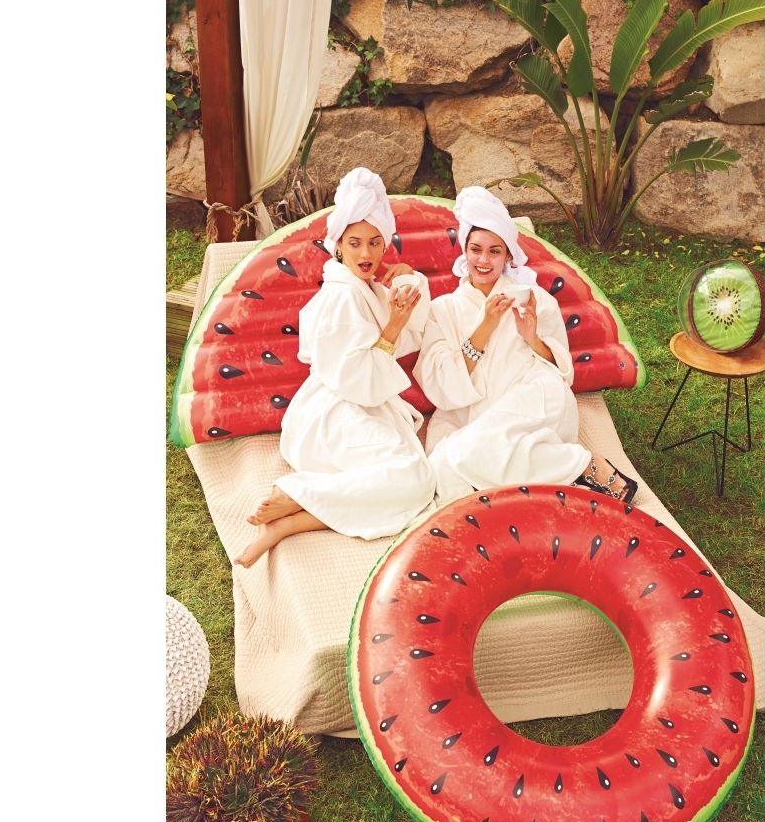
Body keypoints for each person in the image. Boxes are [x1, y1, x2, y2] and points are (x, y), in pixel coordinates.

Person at [235, 167, 435, 568]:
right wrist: (394, 324)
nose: (366, 254)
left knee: (414, 480)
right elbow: (358, 380)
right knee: (413, 481)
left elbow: (414, 332)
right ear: (338, 245)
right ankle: (297, 492)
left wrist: (408, 279)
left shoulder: (365, 286)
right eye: (355, 243)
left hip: (358, 405)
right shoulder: (342, 298)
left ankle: (289, 522)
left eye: (375, 243)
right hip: (332, 414)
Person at [413, 186, 637, 504]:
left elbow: (562, 372)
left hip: (534, 401)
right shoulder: (442, 310)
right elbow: (442, 387)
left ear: (508, 256)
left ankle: (573, 466)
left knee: (465, 456)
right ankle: (577, 467)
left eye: (494, 251)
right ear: (464, 250)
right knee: (444, 465)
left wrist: (532, 336)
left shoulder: (533, 299)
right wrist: (484, 327)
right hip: (474, 417)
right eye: (476, 249)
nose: (483, 260)